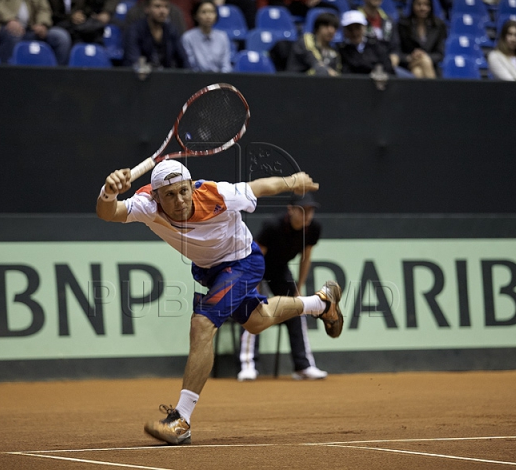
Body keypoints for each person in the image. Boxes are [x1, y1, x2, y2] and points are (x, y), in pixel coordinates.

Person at [96, 160, 344, 445]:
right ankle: (321, 303)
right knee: (258, 320)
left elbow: (259, 187)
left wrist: (292, 181)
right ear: (156, 197)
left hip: (243, 263)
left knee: (202, 324)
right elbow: (109, 213)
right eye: (169, 195)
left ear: (191, 187)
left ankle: (181, 420)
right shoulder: (146, 205)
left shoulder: (219, 194)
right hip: (212, 271)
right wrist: (108, 192)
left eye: (183, 191)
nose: (179, 201)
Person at [238, 192, 329, 382]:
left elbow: (306, 256)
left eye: (311, 211)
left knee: (297, 307)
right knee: (252, 309)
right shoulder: (272, 226)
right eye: (303, 211)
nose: (308, 215)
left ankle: (303, 366)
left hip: (280, 270)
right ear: (291, 210)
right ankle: (248, 365)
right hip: (257, 267)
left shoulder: (313, 228)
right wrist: (253, 287)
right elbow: (255, 257)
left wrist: (299, 288)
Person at [0, 0, 72, 65]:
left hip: (30, 29)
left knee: (61, 37)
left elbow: (44, 9)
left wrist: (42, 24)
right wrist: (9, 19)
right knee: (13, 34)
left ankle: (57, 80)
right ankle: (7, 77)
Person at [122, 0, 188, 69]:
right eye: (157, 6)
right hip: (142, 78)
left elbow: (184, 60)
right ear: (147, 8)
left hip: (166, 78)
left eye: (166, 7)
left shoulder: (171, 30)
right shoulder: (135, 31)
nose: (162, 11)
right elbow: (133, 61)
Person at [396, 0, 445, 79]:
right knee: (423, 62)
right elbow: (396, 51)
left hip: (430, 66)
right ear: (412, 5)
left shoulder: (438, 26)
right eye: (419, 4)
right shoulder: (403, 25)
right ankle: (436, 92)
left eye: (426, 5)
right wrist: (410, 57)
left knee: (418, 71)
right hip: (408, 64)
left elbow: (440, 54)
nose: (422, 8)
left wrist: (424, 56)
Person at [45, 0, 119, 45]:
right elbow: (48, 9)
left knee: (95, 31)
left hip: (82, 18)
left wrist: (106, 12)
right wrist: (71, 15)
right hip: (57, 21)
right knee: (71, 35)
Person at [357, 0, 404, 76]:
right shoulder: (355, 19)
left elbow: (395, 49)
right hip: (362, 67)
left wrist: (388, 65)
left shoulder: (389, 20)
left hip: (388, 67)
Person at [181, 0, 231, 72]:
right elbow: (190, 65)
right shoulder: (188, 38)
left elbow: (226, 65)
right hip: (197, 79)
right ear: (195, 15)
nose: (208, 16)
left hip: (219, 80)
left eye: (212, 12)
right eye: (203, 12)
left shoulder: (222, 37)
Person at [338, 9, 394, 75]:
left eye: (357, 28)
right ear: (345, 31)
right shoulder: (341, 50)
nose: (354, 33)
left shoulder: (377, 46)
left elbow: (389, 70)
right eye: (350, 29)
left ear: (364, 28)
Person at [286, 11, 341, 75]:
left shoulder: (333, 52)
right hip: (297, 81)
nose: (331, 30)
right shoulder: (307, 39)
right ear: (318, 27)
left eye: (334, 27)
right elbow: (316, 65)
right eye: (326, 25)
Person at [256, 0, 337, 20]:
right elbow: (262, 0)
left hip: (302, 3)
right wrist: (263, 16)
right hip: (281, 4)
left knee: (332, 9)